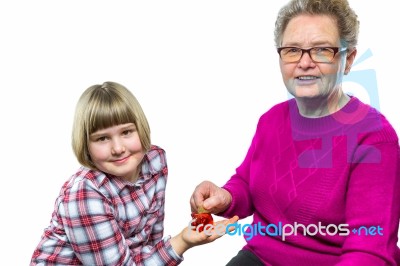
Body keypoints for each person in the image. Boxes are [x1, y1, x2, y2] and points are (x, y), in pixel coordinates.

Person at [190, 0, 400, 265]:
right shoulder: (271, 120)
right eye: (292, 50)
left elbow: (369, 251)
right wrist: (226, 196)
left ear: (348, 60)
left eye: (322, 50)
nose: (304, 63)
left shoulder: (374, 137)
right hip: (261, 258)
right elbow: (247, 183)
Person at [30, 81, 238, 265]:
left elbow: (151, 242)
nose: (118, 148)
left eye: (126, 132)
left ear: (140, 128)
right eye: (102, 138)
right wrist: (182, 241)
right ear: (86, 145)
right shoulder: (85, 193)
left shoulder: (155, 161)